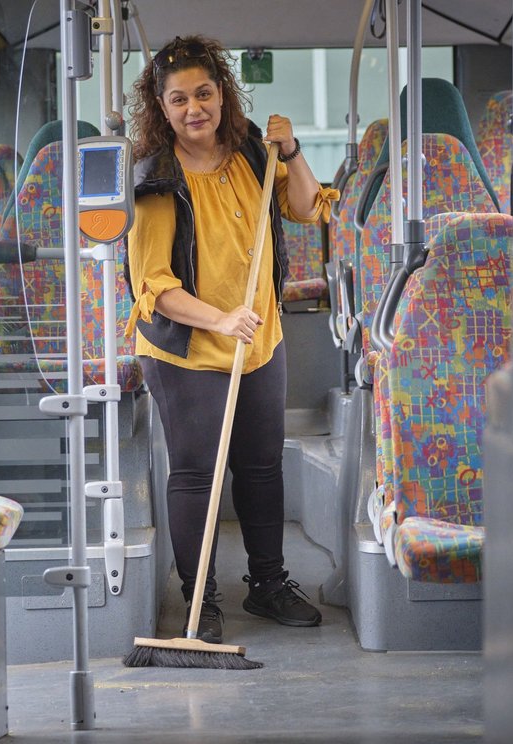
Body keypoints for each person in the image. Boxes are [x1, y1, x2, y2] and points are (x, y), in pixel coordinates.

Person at [125, 35, 339, 644]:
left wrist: (292, 150)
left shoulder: (253, 150)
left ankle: (268, 584)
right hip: (188, 347)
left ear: (222, 92)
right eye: (178, 99)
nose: (195, 108)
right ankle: (202, 601)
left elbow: (303, 208)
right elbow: (153, 286)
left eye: (204, 93)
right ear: (160, 108)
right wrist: (219, 320)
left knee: (261, 466)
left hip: (260, 339)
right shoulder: (154, 178)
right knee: (197, 473)